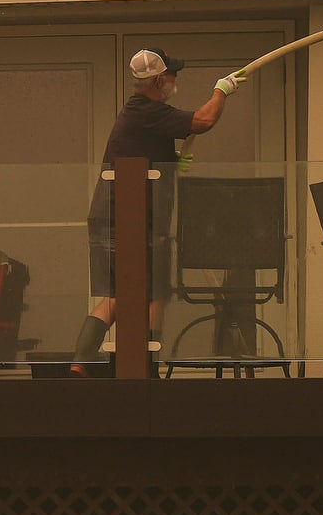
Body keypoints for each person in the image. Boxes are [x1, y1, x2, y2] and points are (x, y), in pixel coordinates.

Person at [72, 47, 233, 371]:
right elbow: (203, 121)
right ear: (160, 80)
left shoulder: (143, 114)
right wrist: (222, 90)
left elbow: (143, 152)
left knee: (132, 293)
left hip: (124, 219)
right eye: (172, 75)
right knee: (142, 292)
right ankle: (138, 365)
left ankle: (88, 360)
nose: (175, 80)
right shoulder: (146, 111)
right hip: (126, 221)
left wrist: (172, 162)